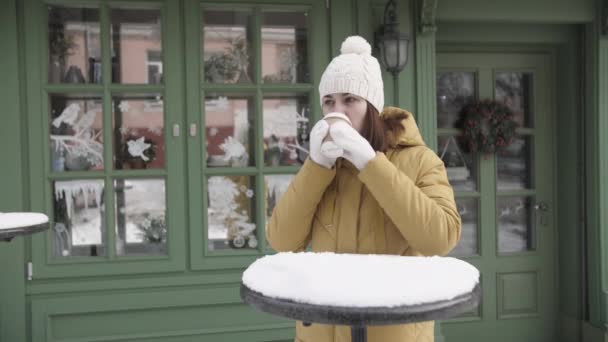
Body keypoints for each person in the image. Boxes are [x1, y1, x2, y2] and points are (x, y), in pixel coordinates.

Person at [266, 35, 462, 342]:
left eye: (350, 100)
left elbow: (440, 238)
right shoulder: (324, 167)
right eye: (329, 102)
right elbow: (281, 239)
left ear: (372, 106)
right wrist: (316, 166)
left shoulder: (421, 160)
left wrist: (371, 162)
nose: (338, 111)